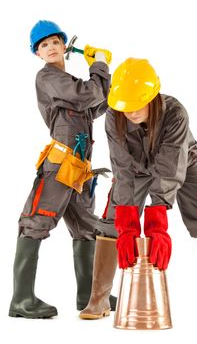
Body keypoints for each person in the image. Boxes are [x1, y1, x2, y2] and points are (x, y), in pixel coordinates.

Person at [80, 57, 197, 324]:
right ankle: (98, 300)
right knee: (112, 221)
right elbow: (121, 167)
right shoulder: (114, 114)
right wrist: (127, 221)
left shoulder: (175, 113)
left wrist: (157, 222)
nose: (132, 112)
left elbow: (169, 168)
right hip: (134, 168)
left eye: (138, 105)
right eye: (126, 107)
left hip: (184, 162)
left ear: (152, 96)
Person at [8, 20, 116, 319]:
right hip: (59, 165)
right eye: (43, 45)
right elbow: (88, 93)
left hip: (80, 168)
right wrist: (100, 67)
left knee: (86, 228)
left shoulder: (69, 84)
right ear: (37, 54)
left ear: (64, 46)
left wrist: (101, 68)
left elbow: (99, 101)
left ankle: (90, 296)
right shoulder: (48, 78)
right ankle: (21, 300)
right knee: (36, 222)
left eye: (55, 42)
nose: (50, 48)